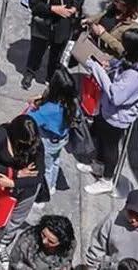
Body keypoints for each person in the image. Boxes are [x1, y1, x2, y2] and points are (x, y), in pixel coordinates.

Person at [83, 27, 138, 196]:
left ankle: (107, 180)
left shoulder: (136, 76)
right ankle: (98, 166)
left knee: (110, 147)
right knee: (101, 139)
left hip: (117, 117)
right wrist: (109, 65)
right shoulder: (132, 59)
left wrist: (97, 69)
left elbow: (116, 96)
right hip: (106, 110)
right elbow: (120, 65)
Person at [0, 114, 45, 263]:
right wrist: (16, 174)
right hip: (2, 185)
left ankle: (3, 244)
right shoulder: (1, 134)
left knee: (16, 219)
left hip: (26, 188)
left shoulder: (36, 144)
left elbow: (38, 177)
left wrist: (13, 183)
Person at [22, 0, 80, 89]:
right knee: (37, 51)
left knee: (56, 53)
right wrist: (53, 9)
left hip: (62, 26)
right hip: (44, 25)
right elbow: (34, 5)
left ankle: (51, 77)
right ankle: (30, 72)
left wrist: (74, 8)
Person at [27, 68, 78, 199]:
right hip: (61, 139)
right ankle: (53, 185)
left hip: (47, 143)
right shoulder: (71, 104)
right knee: (55, 161)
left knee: (46, 167)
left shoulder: (48, 110)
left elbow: (28, 119)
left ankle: (46, 190)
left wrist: (32, 104)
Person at [9, 214, 76, 270]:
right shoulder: (27, 240)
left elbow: (67, 261)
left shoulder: (70, 246)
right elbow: (14, 262)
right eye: (43, 235)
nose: (44, 241)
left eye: (51, 241)